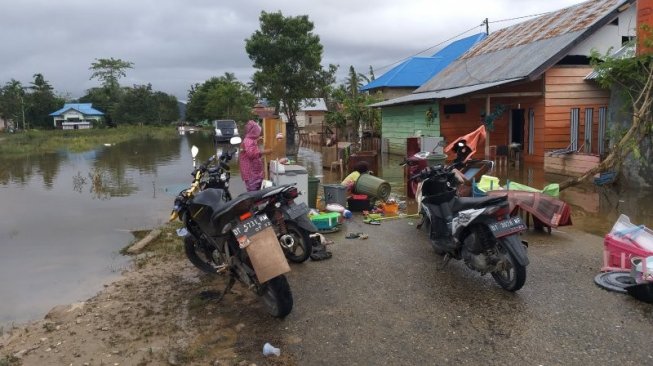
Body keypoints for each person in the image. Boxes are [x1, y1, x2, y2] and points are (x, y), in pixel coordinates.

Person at [239, 120, 272, 191]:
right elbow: (252, 154)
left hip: (254, 172)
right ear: (253, 132)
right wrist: (265, 152)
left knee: (258, 190)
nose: (259, 133)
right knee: (253, 193)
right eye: (257, 132)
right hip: (250, 173)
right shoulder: (248, 141)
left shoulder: (251, 140)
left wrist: (257, 140)